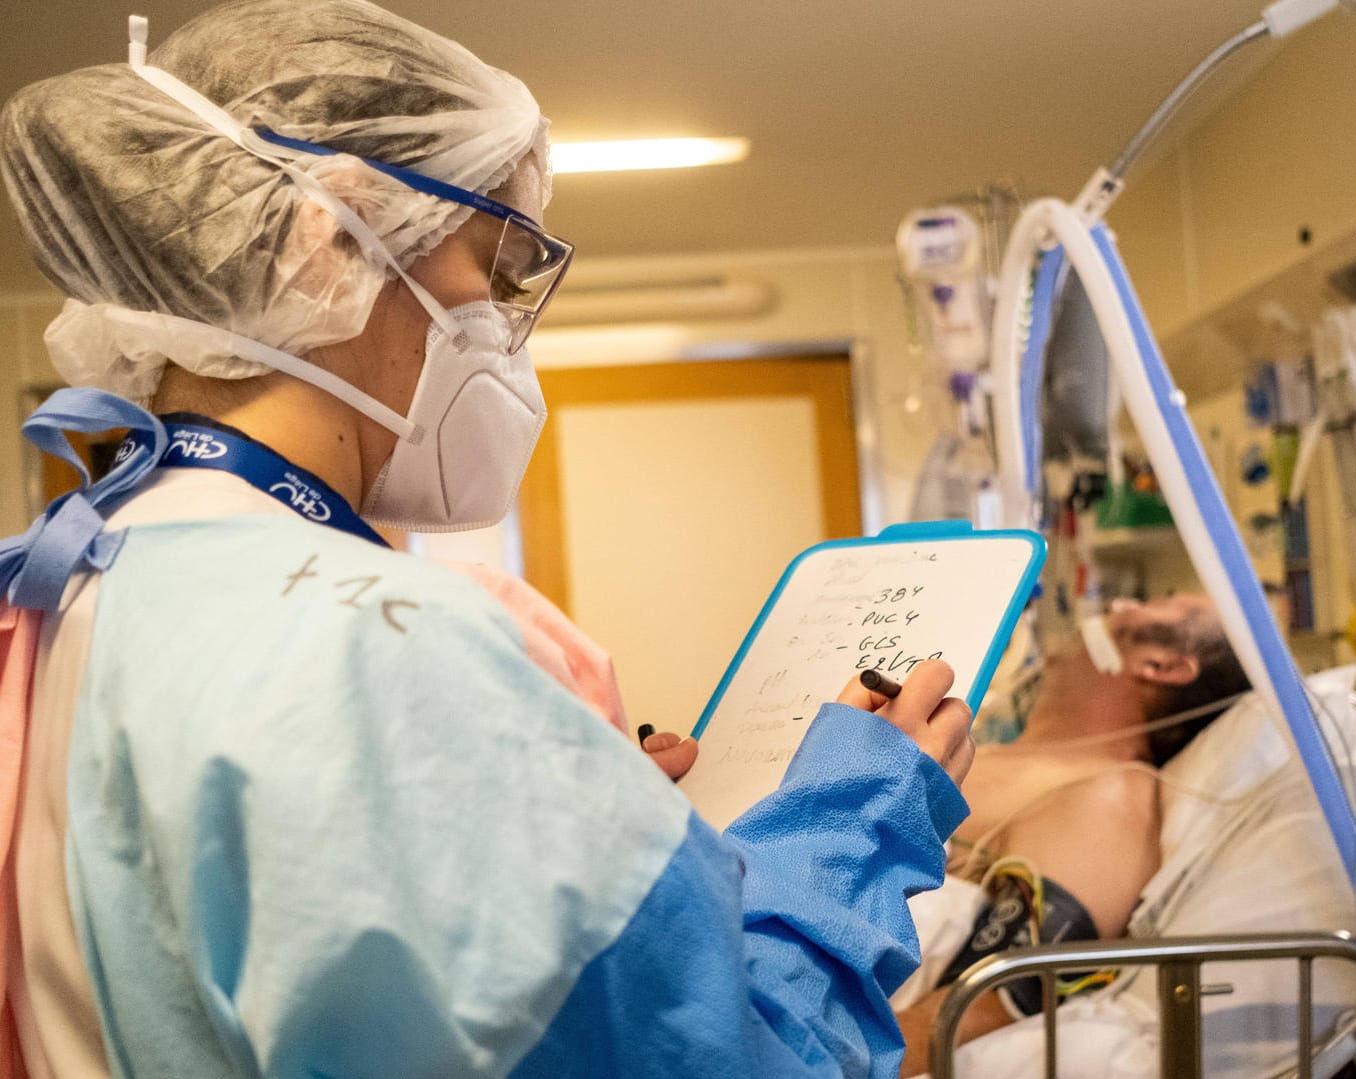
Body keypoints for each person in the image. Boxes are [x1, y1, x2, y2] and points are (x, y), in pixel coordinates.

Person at [0, 3, 975, 1076]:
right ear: (328, 241)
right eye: (500, 261)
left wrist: (559, 829)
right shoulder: (376, 643)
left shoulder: (82, 573)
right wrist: (858, 813)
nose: (508, 318)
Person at [893, 594, 1250, 1076]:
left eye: (1156, 603)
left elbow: (981, 1002)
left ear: (1161, 664)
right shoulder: (980, 751)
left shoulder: (1111, 793)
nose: (1120, 603)